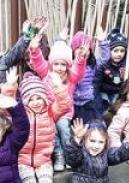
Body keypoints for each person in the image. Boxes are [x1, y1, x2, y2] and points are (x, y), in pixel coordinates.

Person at [13, 70, 71, 183]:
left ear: (45, 98)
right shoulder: (20, 115)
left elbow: (65, 104)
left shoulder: (50, 111)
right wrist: (11, 87)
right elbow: (7, 107)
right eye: (31, 99)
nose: (36, 102)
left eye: (39, 97)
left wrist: (59, 86)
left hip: (44, 159)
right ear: (25, 100)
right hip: (22, 160)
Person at [29, 28, 88, 171]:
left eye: (63, 64)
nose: (59, 68)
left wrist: (80, 58)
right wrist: (34, 49)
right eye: (56, 64)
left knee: (62, 127)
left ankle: (69, 155)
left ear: (68, 66)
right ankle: (59, 155)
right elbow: (38, 62)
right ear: (51, 64)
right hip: (48, 112)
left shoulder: (71, 78)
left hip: (64, 113)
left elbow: (79, 70)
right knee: (52, 130)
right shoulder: (46, 74)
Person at [71, 27, 111, 122]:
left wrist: (103, 43)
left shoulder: (93, 65)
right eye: (79, 48)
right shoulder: (69, 64)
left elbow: (105, 59)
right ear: (73, 50)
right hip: (75, 102)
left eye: (87, 49)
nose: (83, 51)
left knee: (93, 124)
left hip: (91, 101)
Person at [93, 28, 128, 123]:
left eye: (122, 51)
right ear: (109, 51)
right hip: (104, 92)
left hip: (118, 92)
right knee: (102, 105)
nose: (119, 54)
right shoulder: (103, 65)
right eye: (115, 51)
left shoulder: (126, 65)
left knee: (117, 107)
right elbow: (96, 84)